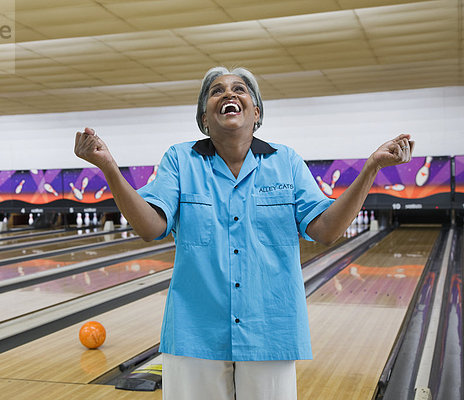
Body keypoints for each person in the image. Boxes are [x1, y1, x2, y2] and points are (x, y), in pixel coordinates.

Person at [74, 66, 414, 400]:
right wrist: (108, 168)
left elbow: (326, 231)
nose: (228, 94)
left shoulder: (287, 161)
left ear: (257, 113)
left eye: (239, 89)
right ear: (205, 118)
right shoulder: (180, 159)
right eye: (216, 90)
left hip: (269, 330)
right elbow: (150, 228)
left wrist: (372, 168)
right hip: (195, 332)